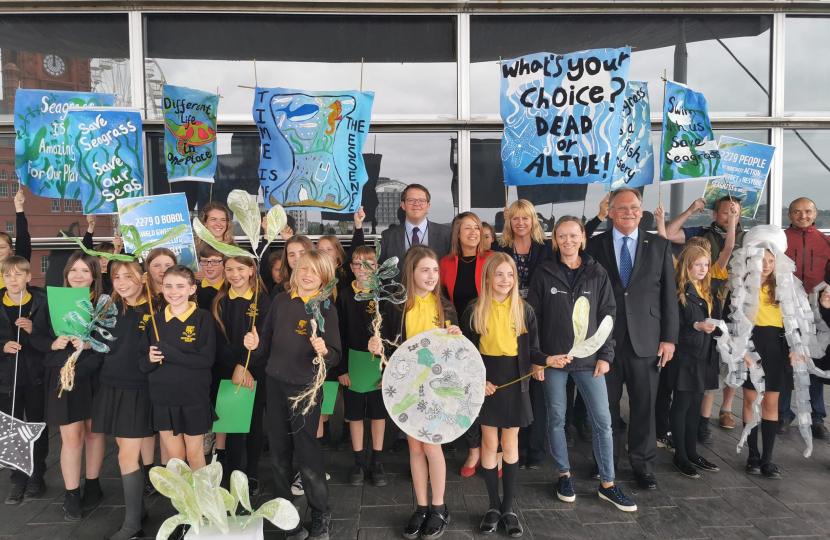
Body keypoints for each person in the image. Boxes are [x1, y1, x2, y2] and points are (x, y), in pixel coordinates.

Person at [527, 217, 635, 512]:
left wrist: (606, 355)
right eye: (562, 236)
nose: (568, 241)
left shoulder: (597, 272)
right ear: (555, 240)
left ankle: (608, 484)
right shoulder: (544, 272)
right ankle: (564, 476)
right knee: (557, 420)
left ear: (582, 237)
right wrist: (537, 359)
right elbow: (532, 318)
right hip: (554, 361)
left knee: (603, 421)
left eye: (573, 235)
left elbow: (608, 315)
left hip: (590, 361)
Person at [585, 187, 679, 490]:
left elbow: (669, 298)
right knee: (605, 409)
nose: (629, 212)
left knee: (644, 407)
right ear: (610, 211)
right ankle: (605, 463)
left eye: (635, 207)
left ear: (642, 211)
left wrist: (669, 338)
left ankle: (643, 465)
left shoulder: (660, 246)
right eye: (622, 208)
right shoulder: (594, 245)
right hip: (605, 342)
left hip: (647, 342)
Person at [246, 250, 341, 540]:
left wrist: (326, 351)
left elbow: (335, 355)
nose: (308, 274)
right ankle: (287, 516)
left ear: (324, 277)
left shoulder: (325, 307)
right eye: (303, 268)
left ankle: (320, 513)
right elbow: (264, 344)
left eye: (315, 271)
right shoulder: (280, 301)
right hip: (275, 384)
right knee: (279, 453)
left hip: (306, 390)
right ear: (295, 269)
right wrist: (254, 344)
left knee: (307, 452)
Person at [368, 245, 460, 540]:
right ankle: (421, 507)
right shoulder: (396, 306)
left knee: (432, 446)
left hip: (436, 388)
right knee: (416, 448)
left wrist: (456, 336)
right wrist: (375, 346)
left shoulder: (444, 306)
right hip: (408, 388)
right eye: (424, 270)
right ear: (411, 272)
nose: (431, 275)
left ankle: (439, 506)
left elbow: (456, 352)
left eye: (435, 270)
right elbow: (385, 341)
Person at [462, 253, 545, 536]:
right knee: (489, 443)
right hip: (486, 378)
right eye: (498, 274)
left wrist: (546, 360)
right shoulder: (474, 310)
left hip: (515, 379)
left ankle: (508, 508)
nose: (505, 280)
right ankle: (493, 506)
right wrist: (478, 380)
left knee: (510, 444)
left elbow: (532, 350)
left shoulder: (524, 310)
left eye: (510, 275)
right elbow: (466, 354)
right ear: (487, 278)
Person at [30, 253, 107, 521]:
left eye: (85, 271)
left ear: (94, 276)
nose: (78, 275)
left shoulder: (104, 305)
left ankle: (94, 484)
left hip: (94, 375)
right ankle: (72, 493)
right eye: (73, 270)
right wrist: (53, 344)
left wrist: (91, 343)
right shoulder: (53, 303)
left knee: (94, 433)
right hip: (64, 376)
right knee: (71, 437)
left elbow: (115, 342)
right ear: (66, 274)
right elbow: (36, 337)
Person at [90, 259, 155, 540]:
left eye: (128, 276)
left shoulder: (156, 308)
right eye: (116, 277)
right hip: (111, 385)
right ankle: (137, 511)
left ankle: (132, 526)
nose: (122, 282)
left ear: (142, 276)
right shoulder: (108, 308)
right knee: (125, 453)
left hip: (139, 389)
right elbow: (100, 345)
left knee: (127, 456)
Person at [492, 199, 552, 470]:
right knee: (515, 386)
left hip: (537, 318)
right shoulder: (499, 247)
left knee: (536, 386)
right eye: (515, 218)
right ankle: (510, 449)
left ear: (533, 220)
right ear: (509, 221)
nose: (520, 223)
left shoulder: (546, 248)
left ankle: (536, 452)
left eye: (525, 218)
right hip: (506, 321)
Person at [139, 265, 216, 472]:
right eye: (169, 286)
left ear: (192, 289)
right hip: (163, 398)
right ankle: (182, 503)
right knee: (176, 457)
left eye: (181, 286)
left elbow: (205, 360)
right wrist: (151, 359)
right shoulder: (154, 322)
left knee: (194, 454)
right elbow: (142, 363)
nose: (174, 291)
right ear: (161, 289)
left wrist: (168, 352)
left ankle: (200, 502)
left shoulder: (203, 318)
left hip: (193, 397)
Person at [726, 249, 792, 478]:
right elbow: (730, 324)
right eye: (761, 260)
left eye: (771, 261)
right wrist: (742, 352)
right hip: (751, 348)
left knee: (771, 405)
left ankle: (768, 459)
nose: (766, 265)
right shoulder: (740, 288)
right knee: (750, 401)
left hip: (777, 349)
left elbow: (794, 324)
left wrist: (794, 350)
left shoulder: (784, 288)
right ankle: (752, 455)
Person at [211, 256, 271, 499]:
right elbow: (218, 342)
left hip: (255, 372)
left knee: (254, 424)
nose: (234, 274)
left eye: (240, 268)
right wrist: (236, 366)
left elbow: (266, 338)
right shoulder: (220, 302)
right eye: (229, 269)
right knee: (233, 425)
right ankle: (236, 473)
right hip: (228, 374)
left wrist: (246, 365)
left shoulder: (264, 301)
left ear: (251, 271)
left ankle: (253, 471)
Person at [439, 212, 493, 475]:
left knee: (490, 392)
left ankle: (495, 452)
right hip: (457, 337)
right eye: (467, 228)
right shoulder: (446, 263)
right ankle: (474, 451)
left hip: (488, 335)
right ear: (457, 233)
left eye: (477, 227)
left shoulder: (492, 260)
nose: (473, 232)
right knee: (466, 392)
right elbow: (439, 299)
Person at [668, 245, 722, 478]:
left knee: (694, 407)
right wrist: (695, 326)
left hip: (705, 355)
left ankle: (692, 452)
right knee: (681, 406)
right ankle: (680, 455)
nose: (703, 269)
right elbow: (670, 327)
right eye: (698, 264)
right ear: (687, 265)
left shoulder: (708, 289)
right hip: (685, 356)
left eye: (706, 264)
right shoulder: (677, 291)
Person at [337, 245, 388, 488]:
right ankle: (358, 462)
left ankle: (376, 462)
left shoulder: (384, 295)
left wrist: (388, 368)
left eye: (368, 264)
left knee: (378, 414)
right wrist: (341, 368)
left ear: (377, 268)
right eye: (357, 264)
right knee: (355, 415)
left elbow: (392, 334)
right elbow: (339, 334)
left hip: (379, 364)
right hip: (353, 362)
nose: (362, 269)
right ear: (351, 268)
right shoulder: (345, 296)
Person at [780, 197, 830, 439]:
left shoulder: (826, 242)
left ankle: (816, 417)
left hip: (816, 312)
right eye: (797, 212)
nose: (803, 216)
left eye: (808, 211)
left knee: (815, 362)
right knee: (785, 362)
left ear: (815, 213)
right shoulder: (779, 241)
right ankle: (782, 414)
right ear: (789, 215)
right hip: (785, 309)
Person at [0, 256, 47, 504]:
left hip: (36, 377)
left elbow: (53, 336)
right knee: (11, 431)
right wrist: (2, 347)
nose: (13, 279)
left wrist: (33, 330)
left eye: (18, 274)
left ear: (29, 277)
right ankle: (17, 479)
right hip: (7, 381)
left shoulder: (42, 301)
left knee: (37, 429)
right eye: (8, 275)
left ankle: (37, 476)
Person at [378, 184, 452, 273]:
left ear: (428, 206)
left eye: (421, 200)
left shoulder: (446, 234)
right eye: (411, 200)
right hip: (399, 287)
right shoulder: (388, 236)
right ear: (403, 205)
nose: (416, 204)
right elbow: (382, 272)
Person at [0, 190, 32, 290]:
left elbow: (23, 239)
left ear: (10, 249)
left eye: (2, 247)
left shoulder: (18, 263)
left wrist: (19, 208)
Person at [196, 244, 225, 311]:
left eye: (214, 261)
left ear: (224, 263)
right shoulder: (193, 291)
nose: (209, 265)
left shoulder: (231, 290)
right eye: (204, 261)